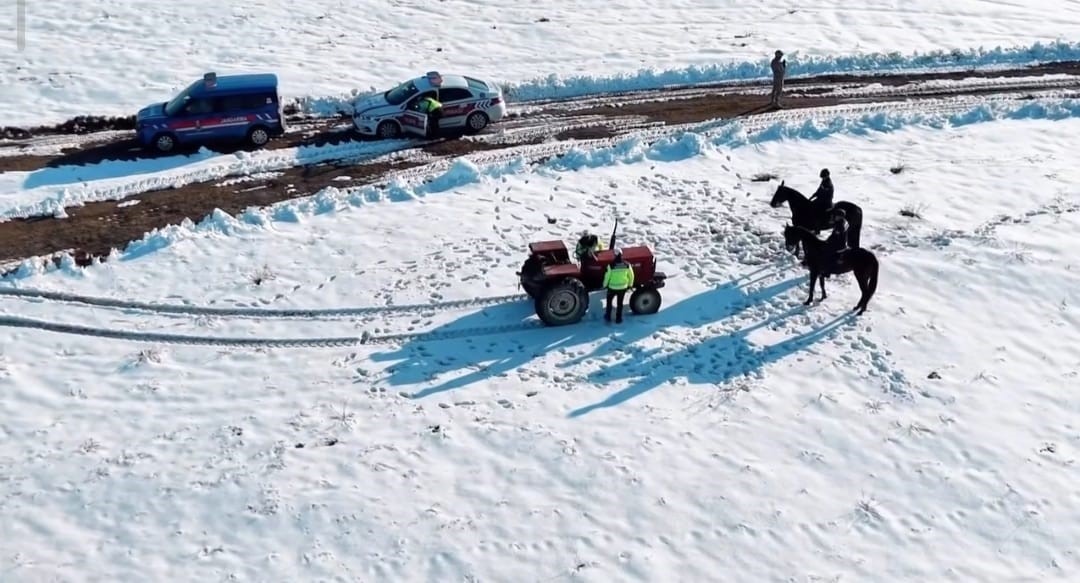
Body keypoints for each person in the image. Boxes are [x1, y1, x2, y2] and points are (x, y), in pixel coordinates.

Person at [602, 249, 635, 324]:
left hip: (612, 287)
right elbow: (631, 275)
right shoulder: (627, 264)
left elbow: (607, 276)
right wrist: (630, 285)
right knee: (620, 303)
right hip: (623, 288)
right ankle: (618, 319)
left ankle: (608, 316)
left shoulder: (611, 265)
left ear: (615, 255)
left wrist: (604, 285)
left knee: (609, 302)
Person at [823, 207, 849, 274]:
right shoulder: (845, 222)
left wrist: (828, 241)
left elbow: (835, 237)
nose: (835, 217)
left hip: (839, 245)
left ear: (840, 216)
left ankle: (827, 271)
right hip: (843, 242)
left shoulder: (839, 225)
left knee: (826, 253)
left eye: (836, 216)